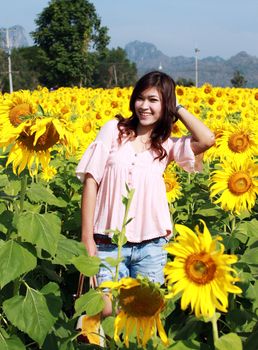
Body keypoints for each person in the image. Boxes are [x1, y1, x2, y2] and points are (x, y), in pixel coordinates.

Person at [76, 71, 215, 315]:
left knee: (143, 318)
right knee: (105, 314)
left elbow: (207, 138)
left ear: (166, 105)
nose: (144, 106)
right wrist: (87, 238)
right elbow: (91, 181)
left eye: (154, 100)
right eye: (140, 98)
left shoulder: (167, 144)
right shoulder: (113, 131)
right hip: (108, 244)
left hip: (151, 247)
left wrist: (177, 107)